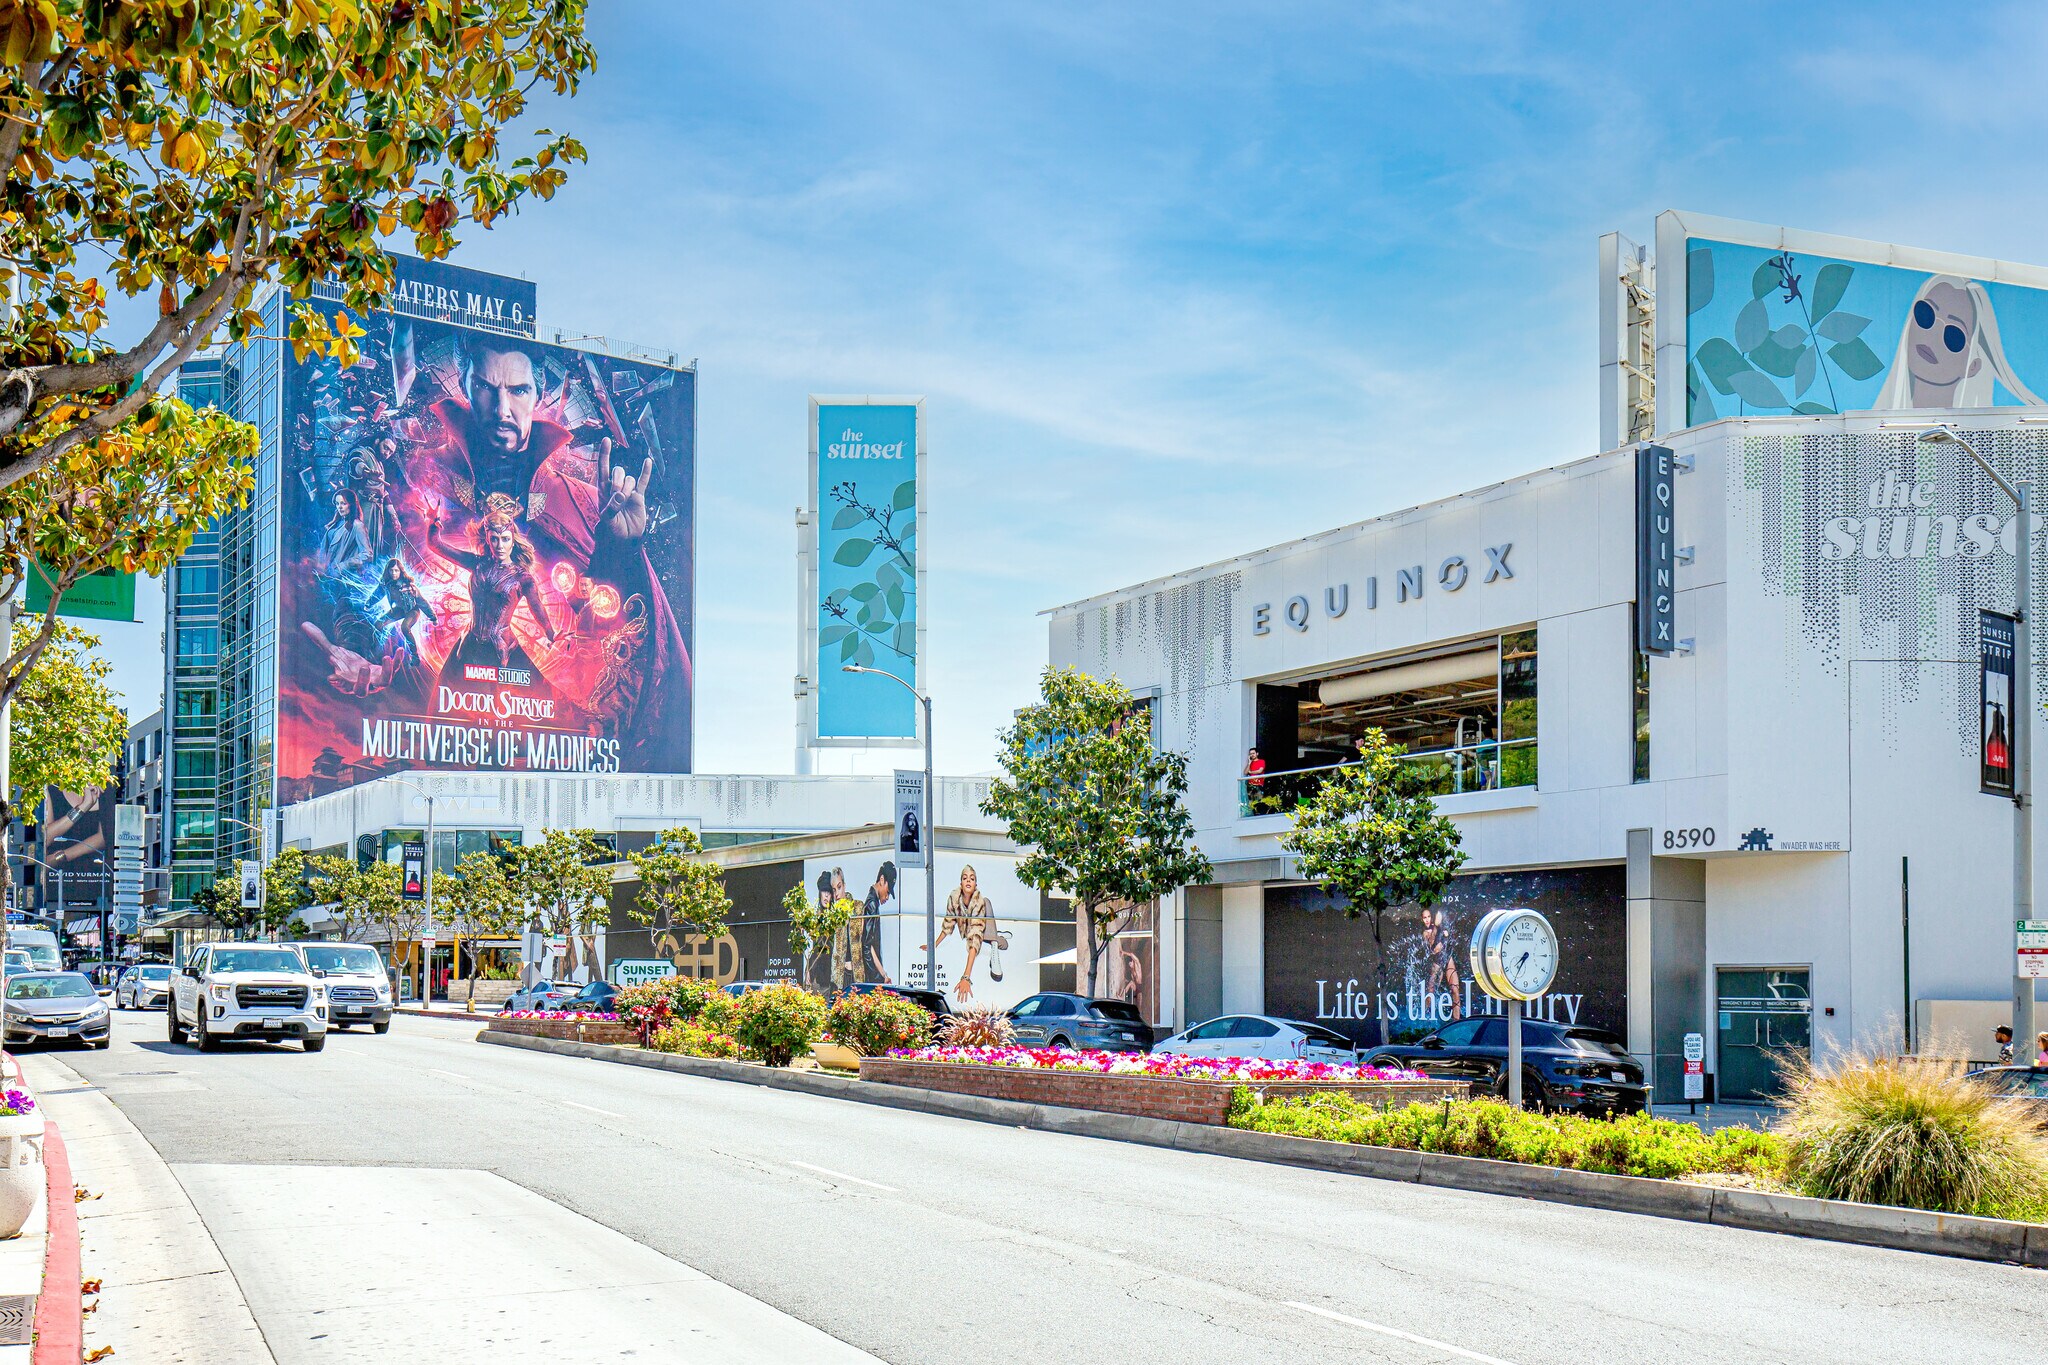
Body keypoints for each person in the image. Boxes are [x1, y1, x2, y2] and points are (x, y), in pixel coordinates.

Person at [412, 335, 691, 752]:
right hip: (458, 710)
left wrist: (622, 551)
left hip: (538, 723)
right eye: (486, 387)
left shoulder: (578, 499)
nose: (502, 409)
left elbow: (614, 623)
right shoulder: (425, 474)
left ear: (538, 394)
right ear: (467, 387)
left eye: (518, 390)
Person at [427, 496, 567, 680]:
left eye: (505, 539)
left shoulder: (523, 578)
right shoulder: (477, 563)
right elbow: (435, 545)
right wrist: (433, 522)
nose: (500, 546)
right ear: (487, 538)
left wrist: (552, 634)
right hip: (469, 645)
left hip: (501, 651)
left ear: (513, 540)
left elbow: (537, 608)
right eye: (494, 539)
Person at [1874, 275, 2046, 409]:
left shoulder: (1983, 442)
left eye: (1954, 334)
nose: (1933, 334)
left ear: (1973, 366)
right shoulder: (1868, 433)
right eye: (1926, 315)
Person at [923, 865, 1002, 1003]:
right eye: (965, 878)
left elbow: (975, 939)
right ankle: (997, 938)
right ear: (961, 883)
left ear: (976, 884)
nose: (968, 881)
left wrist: (966, 976)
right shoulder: (954, 897)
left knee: (987, 905)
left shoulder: (979, 902)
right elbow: (948, 923)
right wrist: (934, 944)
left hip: (981, 933)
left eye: (972, 878)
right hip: (970, 932)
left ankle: (995, 942)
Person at [376, 558, 437, 658]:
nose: (393, 573)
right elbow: (377, 593)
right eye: (391, 570)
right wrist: (368, 604)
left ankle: (415, 655)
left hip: (412, 611)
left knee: (405, 627)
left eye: (396, 570)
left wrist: (433, 617)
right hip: (399, 609)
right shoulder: (387, 584)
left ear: (400, 571)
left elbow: (421, 601)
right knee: (378, 624)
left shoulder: (410, 586)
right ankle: (379, 651)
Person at [860, 862, 895, 985]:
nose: (887, 897)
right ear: (882, 880)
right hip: (871, 979)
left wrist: (884, 975)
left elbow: (870, 946)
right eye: (888, 891)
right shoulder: (872, 904)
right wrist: (877, 979)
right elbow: (867, 946)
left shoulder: (872, 902)